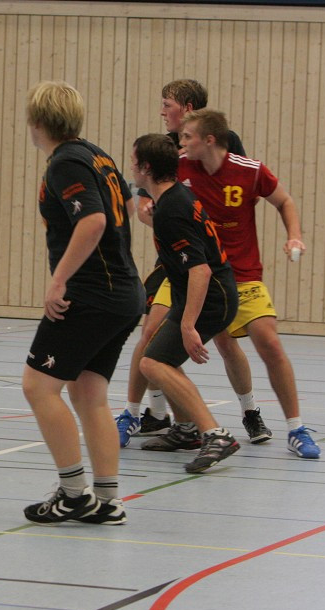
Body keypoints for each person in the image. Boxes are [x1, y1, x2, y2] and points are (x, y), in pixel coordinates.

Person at [148, 109, 321, 459]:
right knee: (152, 336)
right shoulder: (179, 168)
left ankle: (293, 427)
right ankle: (157, 417)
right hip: (192, 271)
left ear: (209, 140)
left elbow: (284, 201)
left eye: (187, 136)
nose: (181, 143)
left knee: (267, 342)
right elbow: (145, 199)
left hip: (241, 275)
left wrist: (295, 236)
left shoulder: (249, 171)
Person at [21, 81, 144, 526]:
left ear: (37, 122)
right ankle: (108, 500)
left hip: (92, 295)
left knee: (38, 387)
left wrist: (59, 281)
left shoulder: (64, 163)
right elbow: (126, 206)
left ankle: (73, 493)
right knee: (89, 393)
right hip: (124, 294)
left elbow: (93, 220)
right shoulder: (96, 154)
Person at [116, 78, 263, 449]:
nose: (163, 111)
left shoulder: (218, 148)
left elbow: (246, 195)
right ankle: (154, 415)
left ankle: (243, 415)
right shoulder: (166, 163)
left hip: (209, 266)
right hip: (182, 262)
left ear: (190, 109)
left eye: (168, 104)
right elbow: (144, 206)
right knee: (152, 340)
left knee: (220, 340)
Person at [132, 133, 241, 473]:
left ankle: (215, 433)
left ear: (147, 168)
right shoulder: (173, 200)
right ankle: (186, 430)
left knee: (152, 363)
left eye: (135, 162)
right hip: (205, 293)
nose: (132, 168)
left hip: (212, 297)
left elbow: (200, 269)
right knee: (160, 356)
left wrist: (188, 324)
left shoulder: (172, 210)